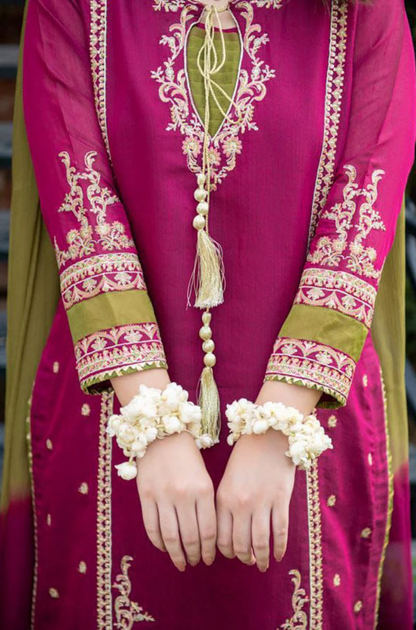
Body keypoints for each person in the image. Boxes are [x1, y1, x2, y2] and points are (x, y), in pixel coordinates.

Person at [0, 0, 415, 627]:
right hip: (119, 426)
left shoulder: (363, 12)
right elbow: (78, 196)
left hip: (307, 438)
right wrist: (153, 426)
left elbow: (367, 199)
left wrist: (279, 426)